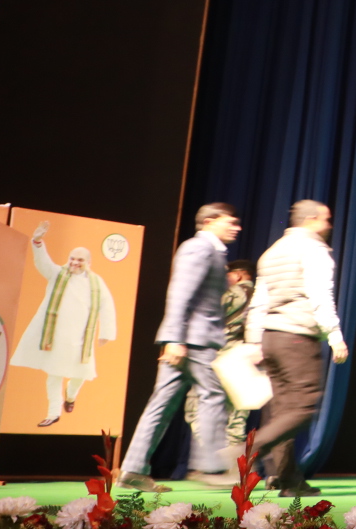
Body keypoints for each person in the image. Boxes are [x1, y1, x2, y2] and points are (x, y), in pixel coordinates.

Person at [115, 204, 241, 491]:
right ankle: (210, 467)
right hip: (193, 342)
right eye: (230, 222)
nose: (237, 227)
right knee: (213, 395)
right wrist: (174, 338)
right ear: (210, 222)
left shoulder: (212, 251)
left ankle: (133, 469)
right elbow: (180, 293)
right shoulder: (199, 248)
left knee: (162, 403)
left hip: (190, 341)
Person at [245, 200, 348, 497]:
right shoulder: (314, 250)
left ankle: (288, 479)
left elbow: (259, 300)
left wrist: (254, 340)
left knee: (282, 412)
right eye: (326, 219)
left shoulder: (272, 251)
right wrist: (334, 335)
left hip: (270, 336)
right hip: (296, 337)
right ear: (312, 219)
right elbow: (320, 294)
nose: (329, 225)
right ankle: (249, 450)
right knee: (304, 406)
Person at [13, 222, 118, 429]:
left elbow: (107, 306)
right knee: (54, 375)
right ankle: (53, 413)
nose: (75, 262)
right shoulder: (57, 274)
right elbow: (43, 263)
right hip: (57, 337)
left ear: (88, 262)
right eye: (72, 258)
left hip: (80, 339)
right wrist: (37, 242)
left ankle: (70, 396)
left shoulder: (96, 283)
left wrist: (106, 333)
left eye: (80, 259)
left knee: (80, 375)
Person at [219, 259, 257, 453]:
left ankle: (212, 461)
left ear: (238, 275)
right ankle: (235, 464)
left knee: (210, 409)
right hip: (249, 357)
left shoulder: (233, 293)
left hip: (225, 354)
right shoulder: (261, 296)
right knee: (238, 416)